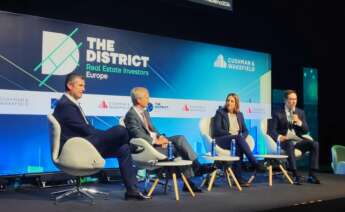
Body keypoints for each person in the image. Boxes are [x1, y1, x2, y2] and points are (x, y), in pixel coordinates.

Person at [53, 73, 150, 200]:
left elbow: (86, 129)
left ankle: (132, 191)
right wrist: (107, 136)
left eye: (84, 85)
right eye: (80, 85)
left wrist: (106, 137)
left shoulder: (70, 104)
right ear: (69, 86)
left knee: (123, 149)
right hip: (75, 149)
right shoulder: (66, 105)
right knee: (120, 130)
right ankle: (133, 146)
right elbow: (86, 129)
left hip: (84, 144)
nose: (84, 89)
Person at [124, 87, 213, 192]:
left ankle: (196, 167)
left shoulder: (145, 112)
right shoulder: (130, 115)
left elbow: (153, 130)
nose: (149, 100)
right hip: (146, 149)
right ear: (138, 100)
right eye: (146, 97)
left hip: (155, 143)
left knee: (180, 139)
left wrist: (161, 137)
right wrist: (157, 141)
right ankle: (193, 175)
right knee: (177, 149)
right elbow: (137, 134)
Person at [268, 89, 320, 185]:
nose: (293, 101)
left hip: (298, 140)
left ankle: (312, 174)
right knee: (289, 143)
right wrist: (280, 137)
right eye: (291, 99)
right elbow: (271, 130)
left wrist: (299, 122)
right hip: (285, 141)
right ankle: (295, 174)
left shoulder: (300, 112)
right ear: (285, 100)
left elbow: (306, 130)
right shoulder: (276, 113)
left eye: (295, 99)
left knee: (315, 144)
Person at [213, 93, 264, 187]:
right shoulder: (220, 112)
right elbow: (217, 129)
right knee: (237, 139)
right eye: (228, 100)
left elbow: (246, 131)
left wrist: (241, 138)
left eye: (232, 101)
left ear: (236, 103)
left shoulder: (240, 114)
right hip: (222, 139)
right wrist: (233, 135)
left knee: (239, 144)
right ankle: (255, 163)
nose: (229, 102)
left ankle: (238, 179)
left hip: (236, 140)